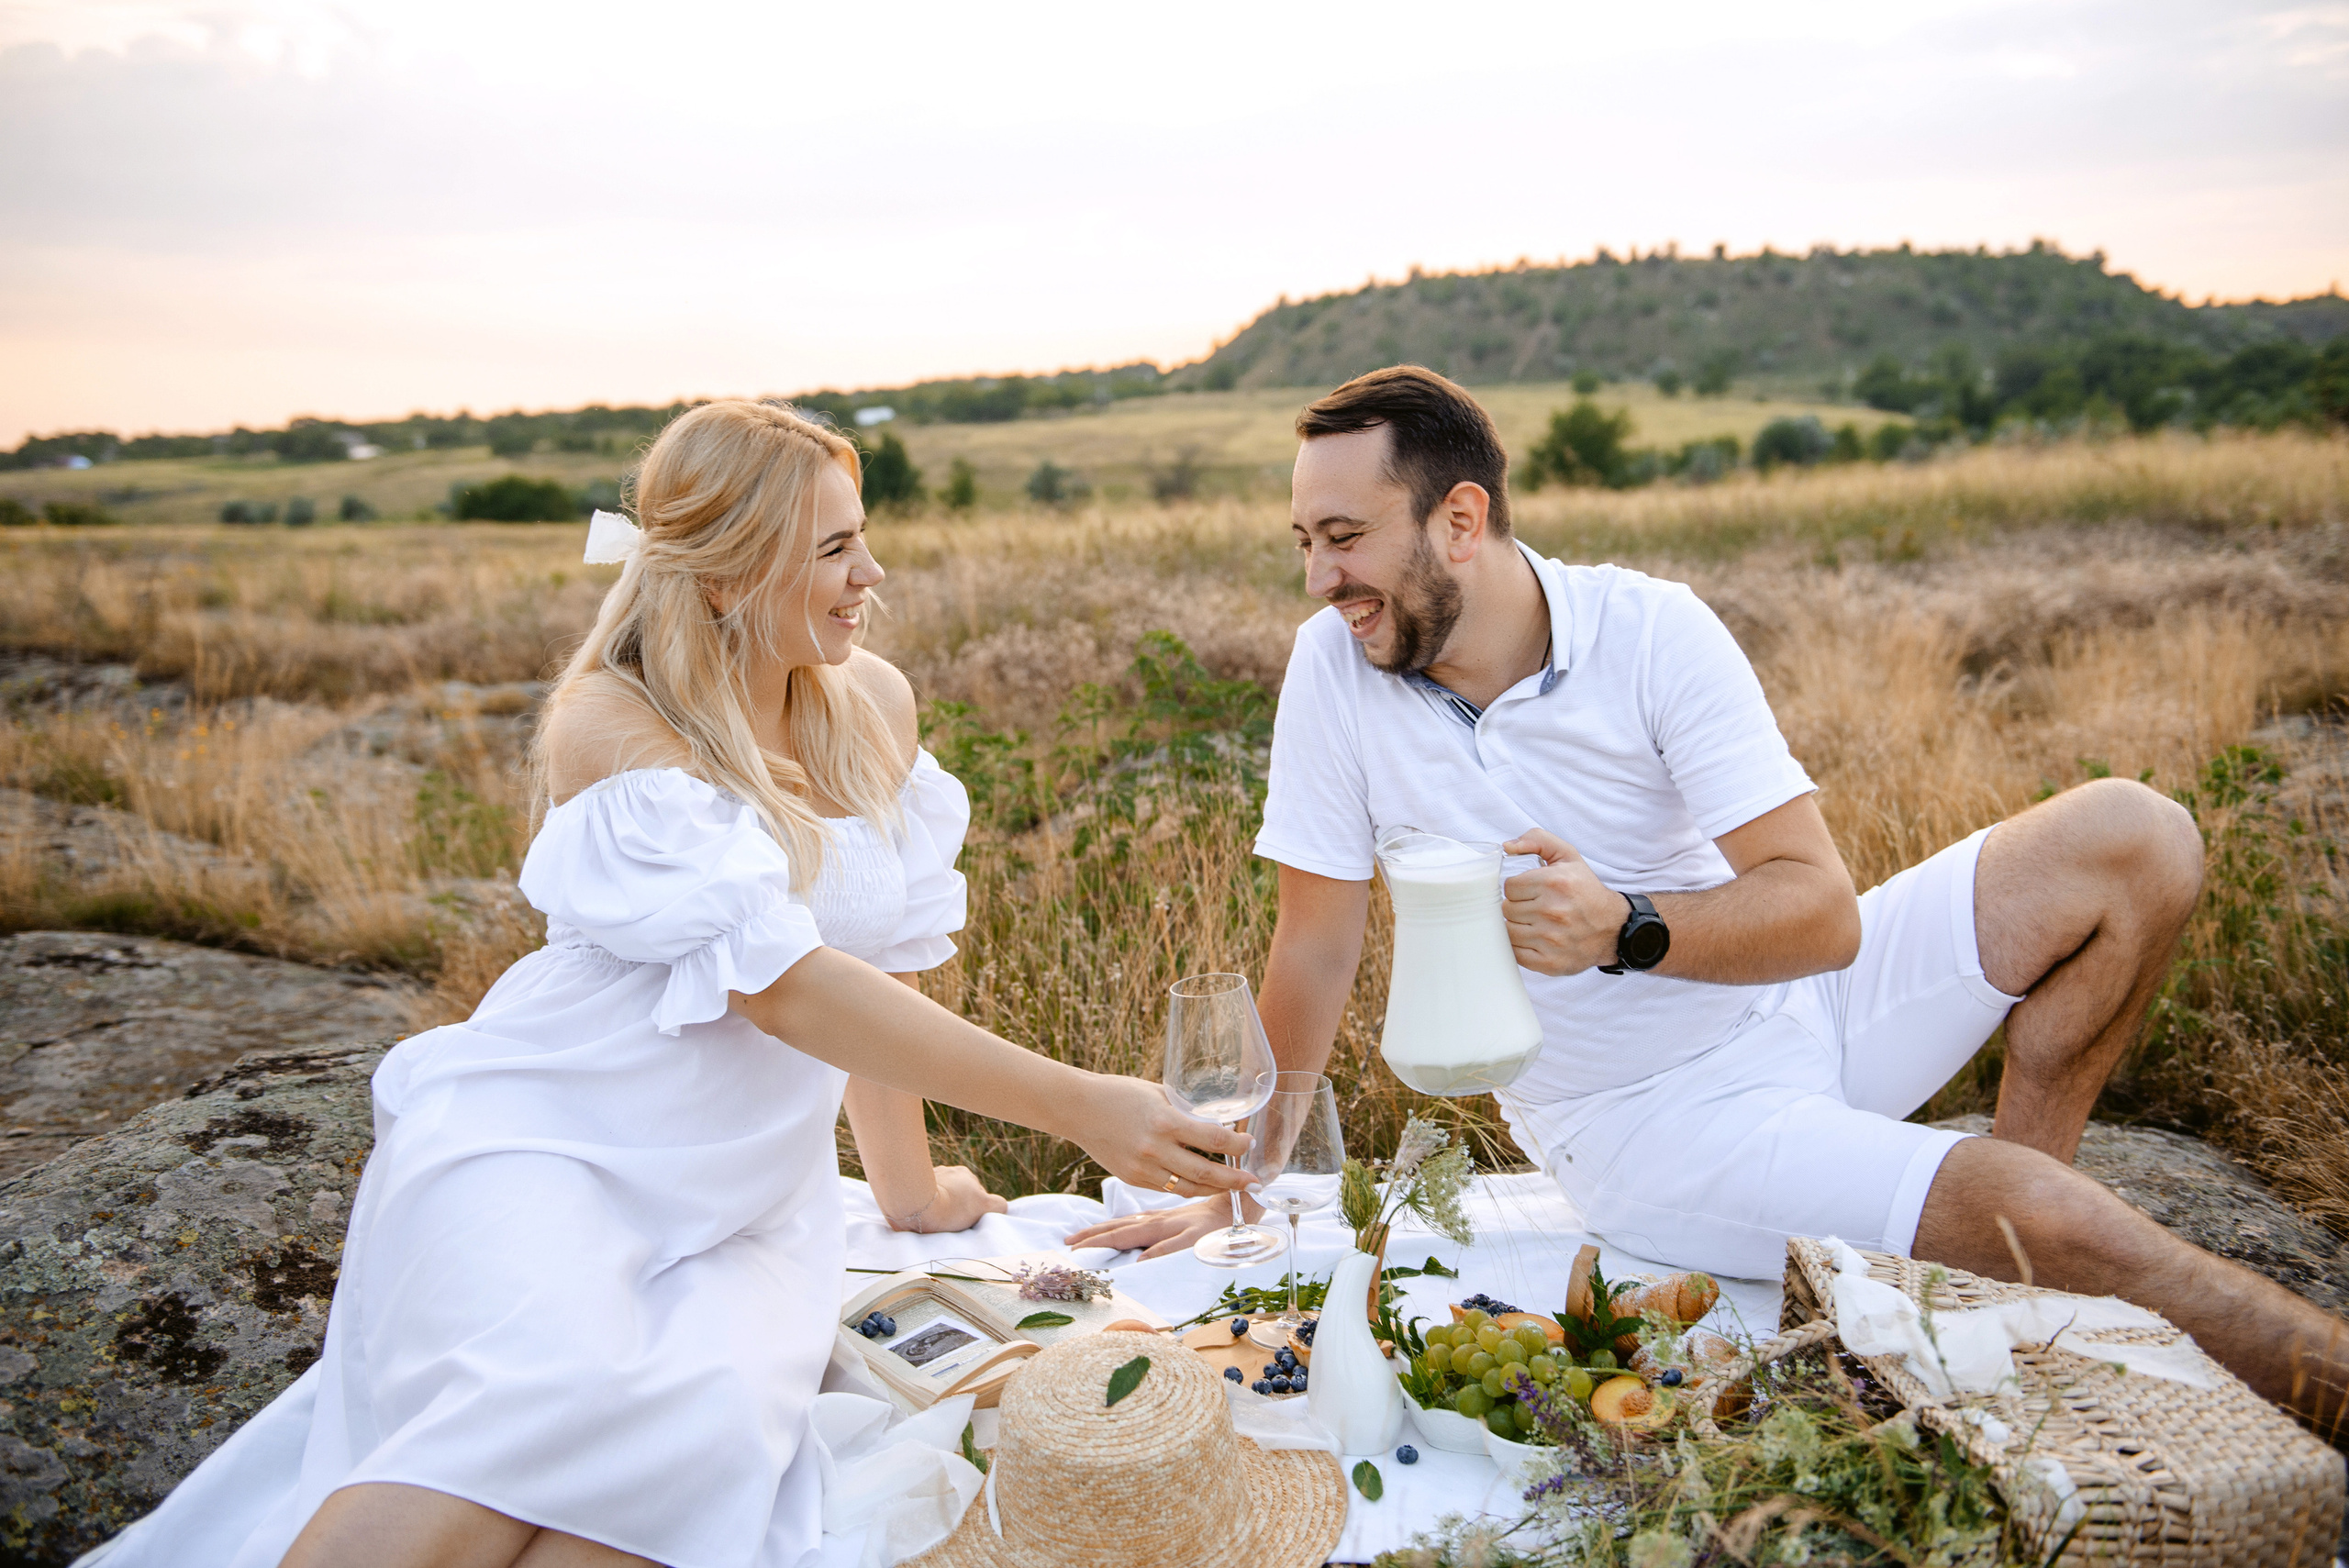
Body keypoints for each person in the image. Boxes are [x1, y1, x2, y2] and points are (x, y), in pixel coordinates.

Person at [1067, 365, 2347, 1433]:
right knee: (2041, 1216)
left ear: (1459, 520)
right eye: (1303, 541)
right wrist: (1241, 1177)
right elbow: (1316, 942)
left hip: (1806, 1004)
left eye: (1343, 538)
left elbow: (1823, 912)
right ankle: (2021, 1229)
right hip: (1644, 1121)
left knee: (2136, 836)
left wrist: (1627, 925)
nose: (1316, 578)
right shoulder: (1334, 668)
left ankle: (1997, 1263)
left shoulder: (1652, 629)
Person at [90, 400, 1251, 1568]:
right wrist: (1077, 1101)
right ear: (729, 574)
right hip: (555, 1141)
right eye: (835, 548)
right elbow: (784, 987)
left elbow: (877, 973)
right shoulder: (611, 718)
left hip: (747, 1201)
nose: (872, 573)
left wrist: (906, 1188)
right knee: (526, 1412)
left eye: (862, 537)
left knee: (681, 1463)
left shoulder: (874, 701)